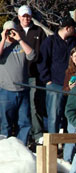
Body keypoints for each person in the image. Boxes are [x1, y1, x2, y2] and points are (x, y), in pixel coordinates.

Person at [38, 16, 76, 134]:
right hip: (54, 84)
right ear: (67, 28)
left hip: (71, 84)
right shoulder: (50, 41)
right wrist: (47, 80)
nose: (75, 30)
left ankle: (69, 147)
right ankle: (53, 145)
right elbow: (42, 61)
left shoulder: (74, 42)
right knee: (54, 117)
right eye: (73, 28)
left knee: (70, 115)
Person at [0, 20, 35, 145]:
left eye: (13, 30)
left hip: (23, 91)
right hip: (6, 91)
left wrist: (19, 39)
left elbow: (32, 55)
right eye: (8, 31)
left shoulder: (22, 44)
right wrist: (3, 39)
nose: (11, 33)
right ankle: (5, 150)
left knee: (24, 123)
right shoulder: (2, 45)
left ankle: (22, 148)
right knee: (6, 124)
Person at [15, 5, 46, 145]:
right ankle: (21, 135)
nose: (26, 18)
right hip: (19, 75)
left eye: (28, 16)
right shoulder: (15, 31)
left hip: (35, 74)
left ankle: (37, 134)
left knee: (34, 105)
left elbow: (44, 53)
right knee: (21, 105)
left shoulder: (38, 31)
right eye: (23, 16)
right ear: (19, 17)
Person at [62, 46, 76, 163]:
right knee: (71, 133)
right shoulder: (70, 72)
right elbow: (64, 89)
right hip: (73, 105)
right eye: (75, 56)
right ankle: (67, 160)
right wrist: (70, 88)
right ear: (72, 58)